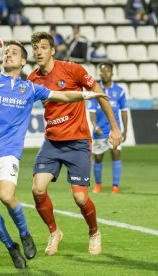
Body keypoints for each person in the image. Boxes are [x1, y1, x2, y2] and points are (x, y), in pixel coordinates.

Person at [0, 40, 110, 269]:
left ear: (23, 61)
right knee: (20, 196)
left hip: (33, 150)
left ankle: (91, 233)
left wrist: (87, 96)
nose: (8, 55)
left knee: (78, 198)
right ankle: (46, 235)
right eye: (6, 52)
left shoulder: (29, 87)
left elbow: (62, 95)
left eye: (14, 52)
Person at [27, 32, 122, 257]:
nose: (38, 51)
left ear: (53, 50)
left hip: (78, 142)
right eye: (35, 47)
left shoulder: (72, 69)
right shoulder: (32, 79)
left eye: (42, 47)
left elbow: (99, 95)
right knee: (38, 189)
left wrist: (115, 128)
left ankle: (94, 232)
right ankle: (54, 232)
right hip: (51, 142)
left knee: (80, 197)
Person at [89, 62, 128, 194]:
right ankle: (98, 184)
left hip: (114, 131)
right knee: (98, 158)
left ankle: (115, 186)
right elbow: (92, 112)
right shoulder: (96, 90)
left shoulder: (119, 91)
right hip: (100, 132)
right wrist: (95, 126)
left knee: (116, 155)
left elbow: (124, 111)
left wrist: (125, 130)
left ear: (112, 73)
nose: (104, 74)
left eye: (106, 71)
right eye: (101, 71)